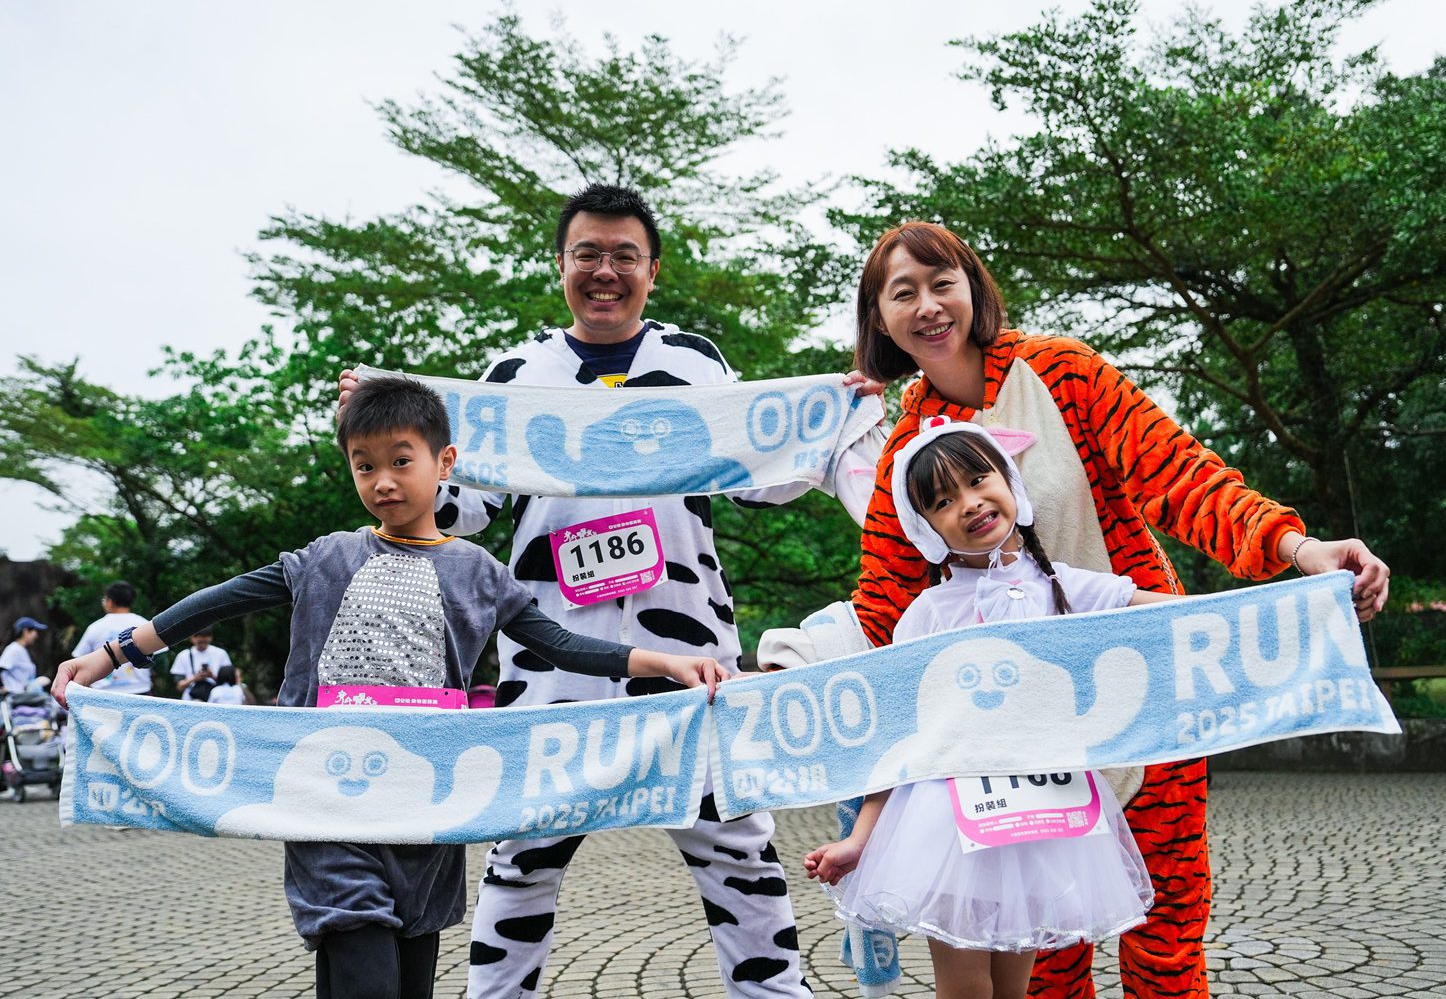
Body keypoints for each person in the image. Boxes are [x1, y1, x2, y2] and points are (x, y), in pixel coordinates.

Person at [340, 183, 883, 999]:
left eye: (624, 255)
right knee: (522, 856)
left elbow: (757, 477)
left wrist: (828, 413)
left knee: (737, 850)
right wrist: (387, 439)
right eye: (587, 253)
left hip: (690, 650)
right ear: (560, 265)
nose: (605, 270)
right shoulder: (514, 376)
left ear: (652, 270)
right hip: (549, 656)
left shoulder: (694, 363)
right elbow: (466, 508)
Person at [55, 376, 728, 999]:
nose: (382, 481)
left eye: (401, 460)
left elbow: (561, 645)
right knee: (363, 967)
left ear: (446, 463)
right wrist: (111, 654)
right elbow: (216, 603)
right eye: (364, 464)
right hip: (329, 802)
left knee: (408, 980)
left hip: (426, 812)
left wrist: (667, 663)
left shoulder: (481, 573)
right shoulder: (325, 558)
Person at [850, 222, 1390, 998]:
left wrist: (1297, 549)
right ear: (880, 319)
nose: (929, 307)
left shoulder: (1063, 374)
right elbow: (883, 609)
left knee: (1165, 938)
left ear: (974, 288)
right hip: (1021, 736)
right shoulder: (907, 452)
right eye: (903, 294)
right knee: (1046, 953)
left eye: (943, 284)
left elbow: (1184, 477)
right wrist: (775, 676)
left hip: (1144, 686)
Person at [807, 420, 1184, 999]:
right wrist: (860, 839)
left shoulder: (1071, 589)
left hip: (1041, 818)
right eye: (942, 500)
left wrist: (1312, 593)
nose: (970, 503)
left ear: (1010, 481)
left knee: (1013, 989)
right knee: (965, 988)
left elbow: (1187, 618)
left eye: (979, 478)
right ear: (925, 528)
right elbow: (899, 739)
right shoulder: (928, 614)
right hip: (949, 822)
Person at [71, 582, 153, 695]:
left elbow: (79, 660)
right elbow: (160, 660)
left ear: (110, 601)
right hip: (140, 691)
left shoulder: (95, 627)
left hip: (103, 694)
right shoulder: (144, 624)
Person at [170, 629, 232, 701]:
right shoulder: (183, 655)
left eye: (205, 638)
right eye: (199, 638)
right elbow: (179, 686)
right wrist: (195, 678)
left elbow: (229, 682)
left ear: (210, 638)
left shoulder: (221, 654)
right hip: (191, 698)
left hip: (216, 697)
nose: (202, 642)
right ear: (192, 638)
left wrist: (212, 676)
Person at [1, 617, 47, 695]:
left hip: (24, 697)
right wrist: (3, 688)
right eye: (34, 631)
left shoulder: (22, 649)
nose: (36, 635)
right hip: (14, 697)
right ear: (25, 631)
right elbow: (2, 667)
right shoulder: (14, 649)